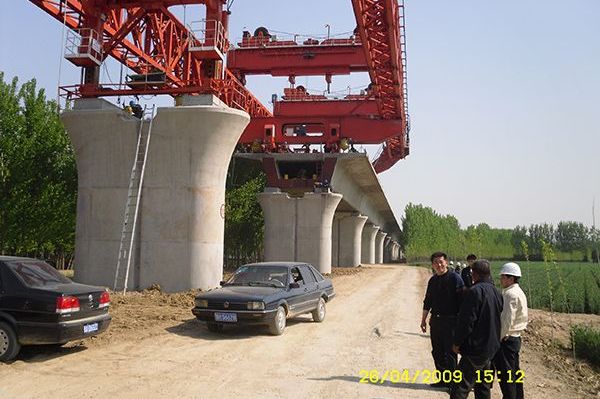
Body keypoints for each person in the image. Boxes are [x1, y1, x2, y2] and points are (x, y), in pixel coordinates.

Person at [451, 259, 503, 399]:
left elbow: (466, 322)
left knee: (460, 387)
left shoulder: (474, 292)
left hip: (475, 349)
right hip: (490, 349)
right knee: (483, 387)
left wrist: (457, 343)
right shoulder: (496, 292)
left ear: (475, 274)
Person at [420, 252, 465, 387]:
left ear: (446, 262)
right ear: (432, 265)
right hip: (436, 321)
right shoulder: (433, 281)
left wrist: (462, 323)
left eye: (441, 262)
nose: (439, 265)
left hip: (451, 321)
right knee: (437, 351)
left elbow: (463, 302)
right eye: (435, 263)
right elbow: (427, 301)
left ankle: (453, 383)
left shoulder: (455, 279)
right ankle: (443, 379)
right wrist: (423, 320)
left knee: (450, 353)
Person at [493, 262, 528, 399]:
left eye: (503, 277)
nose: (500, 279)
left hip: (507, 339)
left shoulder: (510, 294)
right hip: (515, 338)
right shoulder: (517, 292)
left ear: (511, 278)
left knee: (506, 375)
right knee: (514, 373)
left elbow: (507, 320)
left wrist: (499, 338)